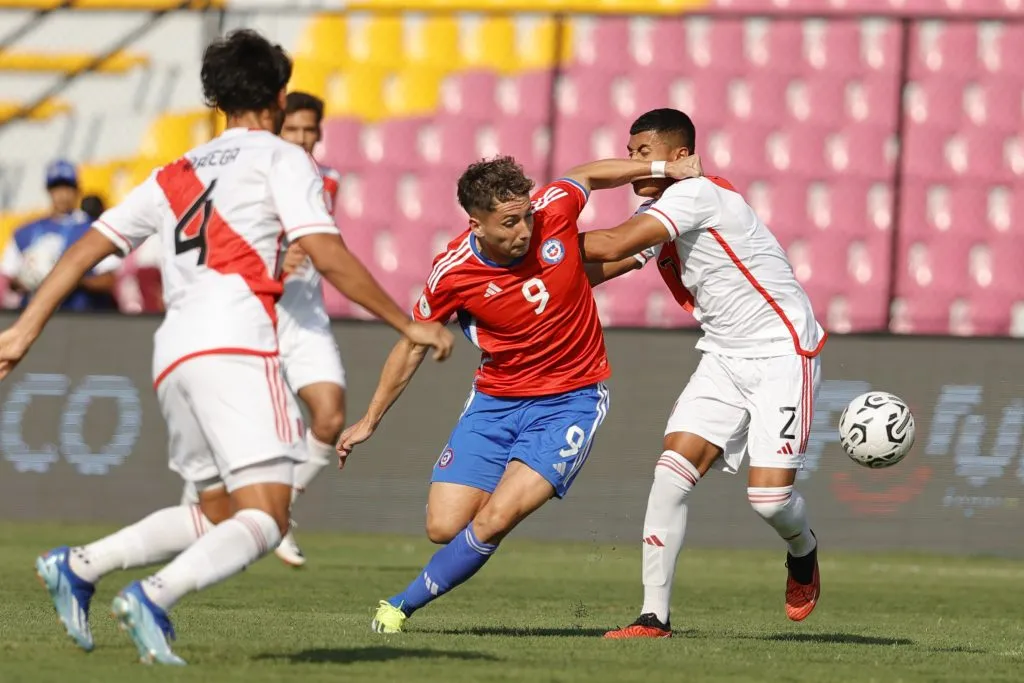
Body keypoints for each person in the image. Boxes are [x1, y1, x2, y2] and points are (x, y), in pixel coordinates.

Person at [0, 29, 453, 665]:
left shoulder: (175, 172)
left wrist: (23, 329)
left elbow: (86, 247)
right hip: (236, 345)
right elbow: (324, 251)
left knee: (216, 512)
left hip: (173, 355)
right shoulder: (280, 157)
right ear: (278, 95)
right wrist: (406, 324)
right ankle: (153, 597)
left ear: (218, 100)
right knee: (267, 518)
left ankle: (79, 565)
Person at [338, 154, 700, 634]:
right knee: (443, 528)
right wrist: (370, 418)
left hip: (570, 401)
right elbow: (412, 345)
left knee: (494, 519)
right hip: (494, 402)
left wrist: (660, 168)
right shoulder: (453, 271)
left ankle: (398, 607)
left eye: (527, 214)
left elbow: (588, 175)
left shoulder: (553, 209)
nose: (525, 229)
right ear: (477, 223)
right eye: (509, 222)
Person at [577, 108, 826, 639]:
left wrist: (535, 243)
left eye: (643, 153)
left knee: (769, 501)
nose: (632, 163)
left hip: (782, 353)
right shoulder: (665, 207)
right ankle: (653, 617)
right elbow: (604, 268)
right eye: (630, 152)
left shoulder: (697, 196)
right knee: (670, 473)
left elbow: (611, 243)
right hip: (722, 356)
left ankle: (802, 550)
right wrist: (536, 282)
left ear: (682, 157)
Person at [180, 91, 344, 567]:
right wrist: (278, 259)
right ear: (277, 128)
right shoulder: (249, 175)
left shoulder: (326, 179)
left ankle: (280, 512)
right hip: (254, 313)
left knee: (329, 417)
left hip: (304, 315)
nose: (302, 138)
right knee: (232, 426)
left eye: (309, 130)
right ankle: (197, 510)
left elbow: (316, 239)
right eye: (293, 129)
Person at [0, 161, 119, 311]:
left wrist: (71, 279)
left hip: (80, 318)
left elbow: (109, 281)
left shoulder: (95, 229)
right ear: (48, 191)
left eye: (67, 187)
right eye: (56, 188)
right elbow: (9, 278)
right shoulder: (24, 232)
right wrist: (28, 279)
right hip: (34, 318)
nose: (62, 194)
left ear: (77, 190)